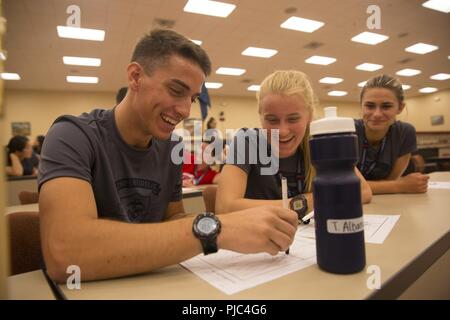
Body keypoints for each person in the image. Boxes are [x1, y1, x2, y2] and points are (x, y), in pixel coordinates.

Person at [38, 29, 298, 283]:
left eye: (193, 98)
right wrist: (218, 229)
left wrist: (234, 225)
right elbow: (66, 253)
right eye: (176, 90)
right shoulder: (71, 135)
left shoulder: (171, 146)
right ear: (135, 76)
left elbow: (173, 219)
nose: (185, 110)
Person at [216, 70, 372, 218]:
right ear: (260, 117)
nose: (282, 131)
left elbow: (362, 191)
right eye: (272, 120)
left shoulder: (320, 142)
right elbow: (225, 208)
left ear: (309, 116)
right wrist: (300, 204)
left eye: (293, 119)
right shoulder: (246, 141)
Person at [356, 74, 429, 194]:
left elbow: (391, 181)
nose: (377, 114)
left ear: (400, 108)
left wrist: (394, 185)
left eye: (386, 106)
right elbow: (345, 186)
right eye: (370, 106)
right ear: (361, 105)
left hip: (387, 202)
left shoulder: (405, 132)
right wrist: (401, 186)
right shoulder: (348, 131)